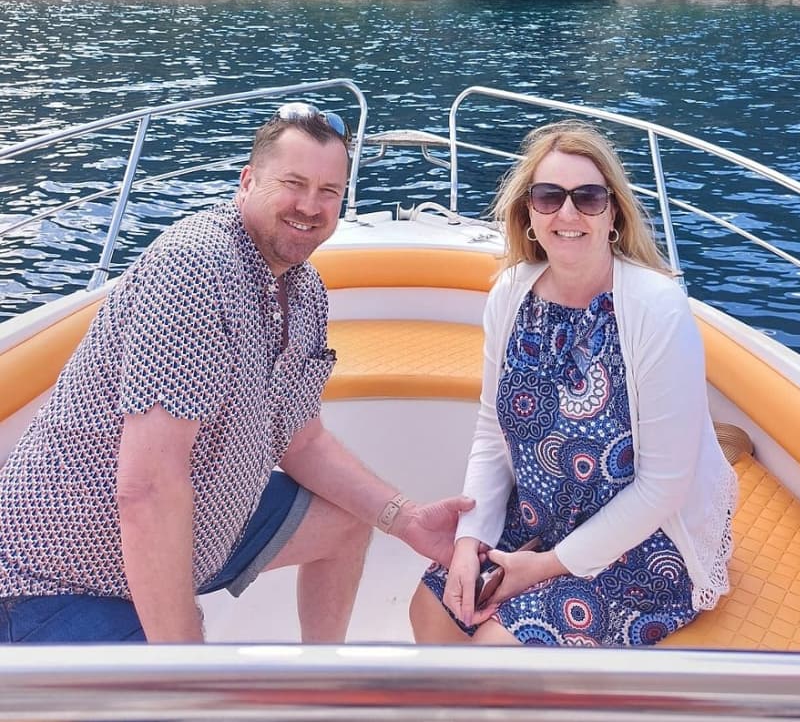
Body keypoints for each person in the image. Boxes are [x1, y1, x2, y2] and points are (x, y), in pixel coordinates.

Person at [0, 102, 471, 644]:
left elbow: (300, 437)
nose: (310, 206)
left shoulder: (302, 289)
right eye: (293, 183)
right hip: (57, 580)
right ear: (247, 182)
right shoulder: (196, 269)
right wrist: (191, 668)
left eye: (329, 192)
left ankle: (320, 682)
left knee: (343, 521)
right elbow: (149, 489)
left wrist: (406, 519)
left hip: (202, 531)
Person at [410, 119, 736, 648]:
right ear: (528, 213)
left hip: (644, 539)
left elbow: (662, 487)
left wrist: (541, 568)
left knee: (497, 652)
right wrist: (470, 541)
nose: (567, 213)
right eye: (548, 196)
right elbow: (494, 430)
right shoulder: (512, 293)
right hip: (543, 516)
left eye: (587, 197)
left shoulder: (655, 308)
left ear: (612, 213)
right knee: (431, 611)